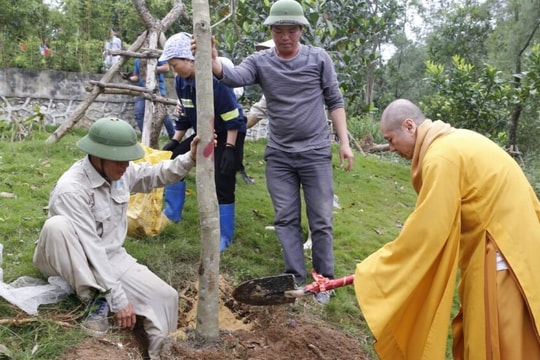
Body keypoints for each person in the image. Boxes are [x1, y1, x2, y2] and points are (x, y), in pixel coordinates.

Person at [354, 99, 540, 359]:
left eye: (391, 139)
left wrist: (377, 271)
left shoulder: (441, 156)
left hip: (503, 249)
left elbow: (429, 230)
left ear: (409, 126)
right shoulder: (454, 140)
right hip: (518, 238)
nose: (390, 147)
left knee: (497, 338)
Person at [200, 0, 354, 304]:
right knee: (285, 218)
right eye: (278, 30)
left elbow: (335, 100)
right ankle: (295, 276)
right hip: (280, 156)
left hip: (315, 153)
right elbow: (233, 77)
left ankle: (323, 281)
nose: (285, 36)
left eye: (291, 30)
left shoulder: (318, 59)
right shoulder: (262, 61)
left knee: (321, 219)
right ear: (271, 31)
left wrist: (344, 142)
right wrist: (213, 60)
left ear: (301, 30)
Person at [32, 117, 199, 359]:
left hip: (111, 256)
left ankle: (160, 355)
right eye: (119, 160)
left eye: (128, 159)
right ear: (96, 156)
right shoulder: (72, 189)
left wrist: (190, 158)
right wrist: (117, 299)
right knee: (56, 226)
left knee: (167, 298)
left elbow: (155, 175)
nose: (125, 166)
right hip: (70, 256)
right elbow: (91, 249)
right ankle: (95, 300)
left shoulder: (121, 172)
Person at [159, 32, 247, 252]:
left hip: (229, 132)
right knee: (173, 158)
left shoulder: (214, 80)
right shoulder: (181, 81)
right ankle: (171, 214)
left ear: (190, 59)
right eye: (170, 65)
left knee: (222, 178)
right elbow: (187, 113)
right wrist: (175, 141)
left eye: (175, 64)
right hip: (204, 132)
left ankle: (224, 236)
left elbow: (231, 116)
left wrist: (229, 148)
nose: (172, 69)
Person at [121, 58, 175, 139]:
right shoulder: (137, 60)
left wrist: (151, 69)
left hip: (157, 89)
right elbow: (136, 77)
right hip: (143, 90)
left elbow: (166, 68)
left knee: (163, 114)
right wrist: (128, 77)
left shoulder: (157, 57)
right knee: (139, 113)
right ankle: (146, 137)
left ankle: (174, 137)